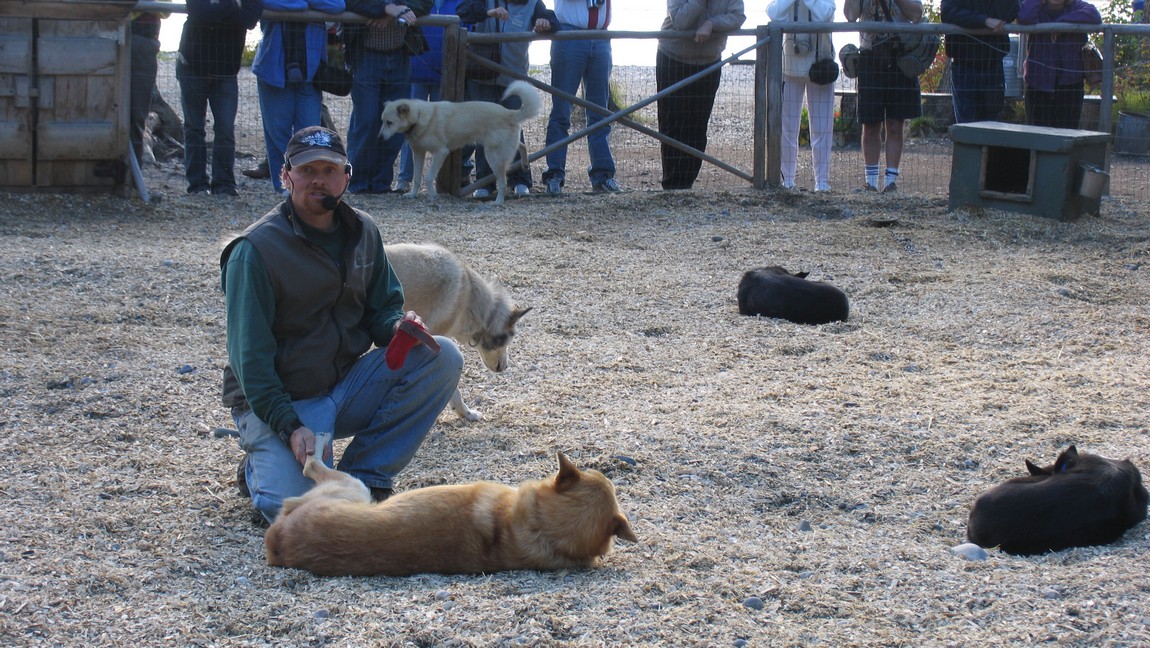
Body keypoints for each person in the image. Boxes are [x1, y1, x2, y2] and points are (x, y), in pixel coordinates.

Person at [221, 126, 463, 523]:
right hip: (282, 399)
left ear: (346, 177)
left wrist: (398, 327)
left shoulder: (363, 230)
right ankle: (257, 467)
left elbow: (381, 309)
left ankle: (367, 475)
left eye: (329, 170)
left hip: (341, 386)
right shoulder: (254, 251)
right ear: (286, 176)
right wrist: (288, 426)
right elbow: (251, 362)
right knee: (300, 514)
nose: (318, 179)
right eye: (307, 169)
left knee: (443, 355)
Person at [457, 0, 559, 198]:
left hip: (513, 78)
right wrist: (487, 12)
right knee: (485, 129)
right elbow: (463, 11)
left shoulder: (532, 3)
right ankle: (485, 183)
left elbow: (552, 20)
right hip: (481, 76)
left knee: (513, 128)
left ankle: (520, 180)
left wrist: (545, 23)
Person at [253, 0, 346, 194]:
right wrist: (306, 4)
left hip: (311, 74)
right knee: (278, 133)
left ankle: (306, 187)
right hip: (274, 70)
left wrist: (299, 3)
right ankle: (285, 188)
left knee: (309, 135)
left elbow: (337, 5)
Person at [656, 0, 746, 191]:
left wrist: (712, 23)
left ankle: (686, 184)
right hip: (673, 58)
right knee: (672, 124)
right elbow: (680, 21)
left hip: (709, 62)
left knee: (697, 127)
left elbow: (738, 16)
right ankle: (672, 186)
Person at [344, 0, 433, 194]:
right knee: (367, 120)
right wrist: (388, 9)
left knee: (397, 122)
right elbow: (351, 2)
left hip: (400, 56)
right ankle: (357, 181)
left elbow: (425, 2)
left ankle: (381, 182)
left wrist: (394, 12)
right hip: (366, 56)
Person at [177, 0, 264, 196]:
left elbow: (250, 19)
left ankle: (224, 183)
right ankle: (197, 184)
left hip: (226, 71)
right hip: (192, 65)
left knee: (225, 129)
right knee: (194, 127)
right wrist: (234, 4)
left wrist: (216, 8)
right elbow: (200, 13)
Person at [542, 0, 621, 195]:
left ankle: (603, 175)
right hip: (570, 35)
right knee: (561, 111)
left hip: (601, 36)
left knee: (599, 113)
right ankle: (554, 174)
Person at [395, 0, 473, 194]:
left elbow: (467, 33)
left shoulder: (460, 3)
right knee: (410, 129)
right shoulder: (416, 2)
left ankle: (445, 180)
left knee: (444, 130)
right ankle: (404, 179)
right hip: (415, 73)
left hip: (446, 77)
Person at [846, 0, 924, 193]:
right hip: (870, 56)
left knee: (896, 124)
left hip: (900, 56)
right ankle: (871, 184)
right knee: (870, 124)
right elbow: (850, 15)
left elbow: (917, 14)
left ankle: (891, 183)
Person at [766, 0, 832, 191]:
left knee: (822, 128)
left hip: (821, 67)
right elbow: (773, 13)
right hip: (790, 68)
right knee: (787, 129)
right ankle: (787, 180)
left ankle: (822, 182)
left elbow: (825, 15)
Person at [1017, 0, 1101, 129]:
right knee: (1036, 133)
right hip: (1037, 84)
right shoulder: (1036, 8)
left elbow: (1094, 16)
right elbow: (1024, 16)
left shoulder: (1076, 6)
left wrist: (1061, 24)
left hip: (1070, 85)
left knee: (1067, 133)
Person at [941, 0, 1018, 123]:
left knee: (991, 125)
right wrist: (984, 20)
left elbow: (1010, 12)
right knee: (966, 125)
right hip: (964, 66)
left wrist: (975, 19)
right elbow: (948, 12)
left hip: (993, 65)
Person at [128, 1, 171, 168]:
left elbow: (165, 8)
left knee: (137, 114)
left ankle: (133, 173)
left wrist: (134, 8)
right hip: (110, 37)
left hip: (144, 44)